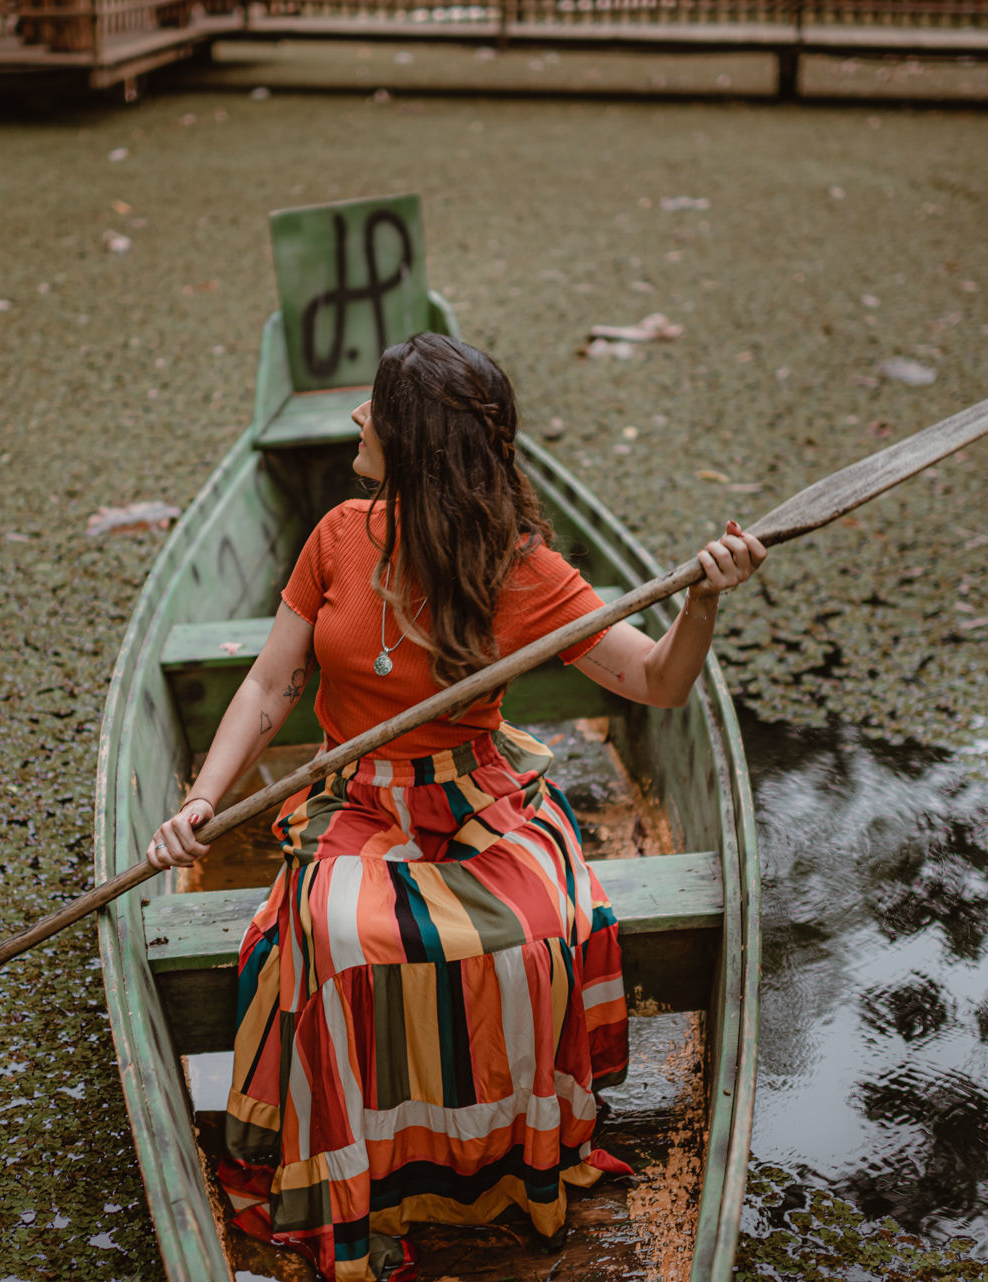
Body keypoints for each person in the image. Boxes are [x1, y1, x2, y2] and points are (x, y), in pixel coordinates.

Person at [145, 332, 766, 1281]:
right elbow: (271, 687)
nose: (356, 419)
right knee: (336, 932)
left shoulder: (520, 571)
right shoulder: (339, 535)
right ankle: (363, 1173)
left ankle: (503, 1153)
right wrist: (199, 800)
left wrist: (704, 606)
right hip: (360, 797)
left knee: (546, 925)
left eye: (376, 410)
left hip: (478, 796)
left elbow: (657, 682)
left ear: (418, 444)